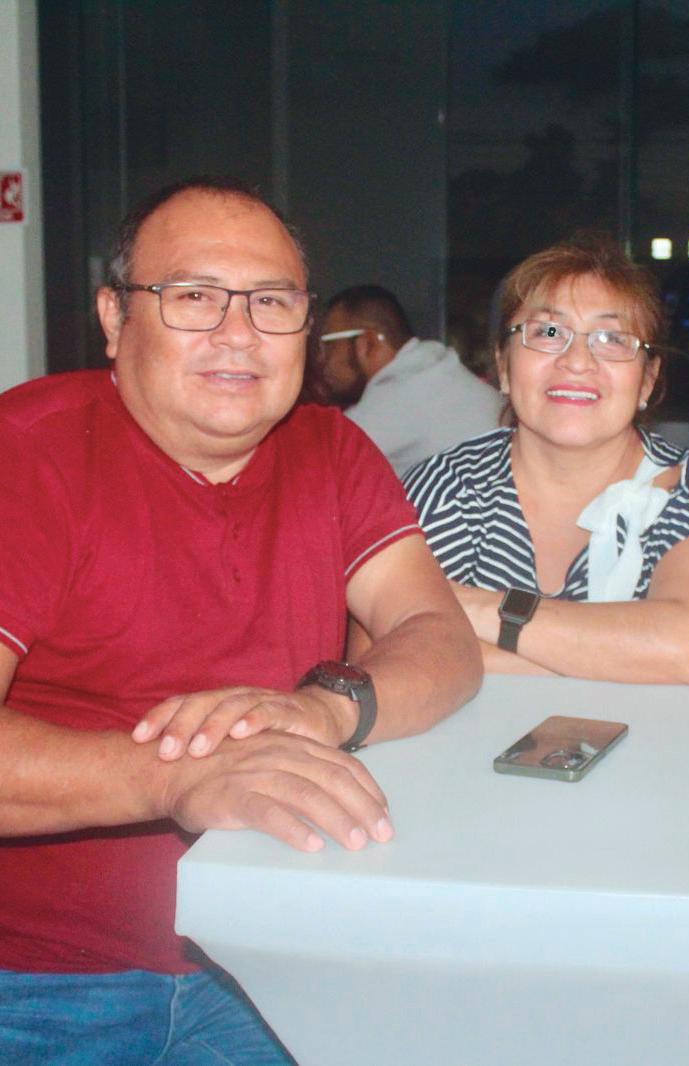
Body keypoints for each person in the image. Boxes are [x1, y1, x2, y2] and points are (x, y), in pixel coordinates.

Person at [0, 177, 482, 1063]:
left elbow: (440, 638)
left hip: (273, 959)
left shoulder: (331, 450)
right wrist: (173, 777)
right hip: (37, 978)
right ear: (114, 318)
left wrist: (323, 708)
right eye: (193, 297)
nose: (239, 333)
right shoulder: (27, 453)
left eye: (272, 301)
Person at [404, 236, 689, 684]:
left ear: (647, 380)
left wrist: (463, 607)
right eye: (548, 333)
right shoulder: (445, 485)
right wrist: (618, 659)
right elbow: (384, 654)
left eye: (613, 338)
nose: (578, 361)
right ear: (503, 366)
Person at [314, 284, 502, 475]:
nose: (321, 358)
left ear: (368, 343)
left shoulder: (402, 394)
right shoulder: (433, 367)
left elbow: (312, 460)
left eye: (327, 345)